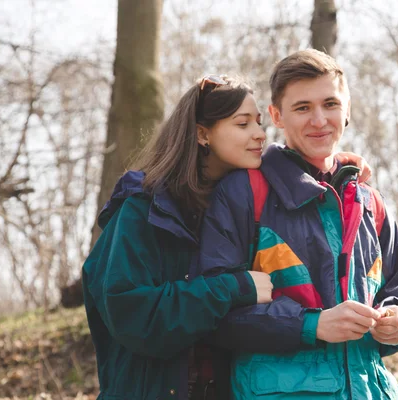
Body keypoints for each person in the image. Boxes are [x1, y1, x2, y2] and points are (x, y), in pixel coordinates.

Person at [82, 74, 374, 399]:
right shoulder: (143, 209)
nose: (260, 134)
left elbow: (288, 163)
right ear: (203, 133)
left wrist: (337, 168)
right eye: (242, 124)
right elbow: (132, 313)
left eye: (259, 123)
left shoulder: (234, 202)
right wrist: (234, 287)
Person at [197, 50, 398, 399]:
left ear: (346, 110)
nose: (319, 120)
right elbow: (214, 311)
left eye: (330, 104)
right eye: (302, 108)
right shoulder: (243, 193)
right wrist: (312, 325)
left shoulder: (371, 203)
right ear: (277, 116)